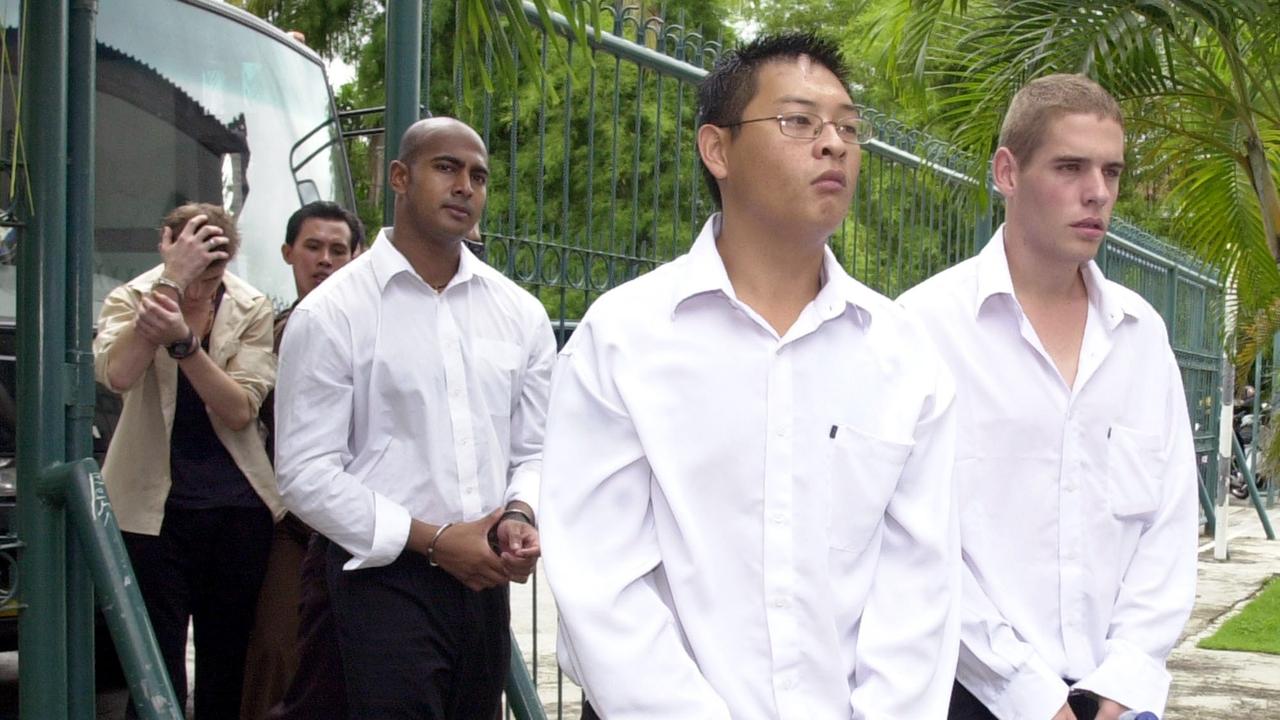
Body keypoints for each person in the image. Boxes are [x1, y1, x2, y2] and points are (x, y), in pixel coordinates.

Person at [539, 32, 959, 719]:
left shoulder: (903, 357)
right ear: (717, 149)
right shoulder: (625, 339)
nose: (834, 144)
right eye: (799, 121)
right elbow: (601, 584)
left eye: (849, 126)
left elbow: (919, 585)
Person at [898, 74, 1198, 720]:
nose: (1098, 192)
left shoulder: (1142, 338)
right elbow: (914, 539)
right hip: (968, 694)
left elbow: (1168, 526)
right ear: (1007, 171)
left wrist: (1128, 675)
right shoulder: (923, 330)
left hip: (1117, 700)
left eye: (1112, 171)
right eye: (1070, 167)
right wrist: (1027, 693)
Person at [274, 117, 556, 719]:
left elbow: (534, 449)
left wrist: (519, 513)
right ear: (399, 177)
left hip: (483, 580)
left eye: (478, 175)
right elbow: (303, 473)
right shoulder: (333, 313)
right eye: (446, 167)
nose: (465, 186)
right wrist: (431, 541)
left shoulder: (520, 314)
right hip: (377, 581)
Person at [93, 202, 282, 718]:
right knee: (153, 662)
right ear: (167, 244)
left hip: (236, 508)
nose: (203, 285)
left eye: (213, 273)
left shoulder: (250, 305)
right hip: (149, 511)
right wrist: (171, 283)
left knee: (227, 663)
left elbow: (240, 408)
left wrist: (184, 344)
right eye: (194, 266)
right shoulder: (130, 296)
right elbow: (119, 375)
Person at [241, 200, 363, 720]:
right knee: (275, 651)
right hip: (291, 524)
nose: (325, 260)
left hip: (367, 523)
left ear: (357, 256)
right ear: (289, 252)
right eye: (313, 247)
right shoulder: (263, 334)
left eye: (339, 249)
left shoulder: (374, 330)